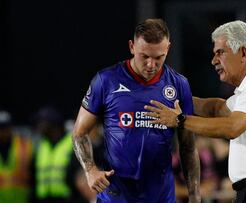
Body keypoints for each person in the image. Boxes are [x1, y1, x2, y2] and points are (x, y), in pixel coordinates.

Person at [144, 20, 246, 203]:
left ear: (242, 53)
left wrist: (179, 120)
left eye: (220, 52)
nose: (214, 60)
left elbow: (232, 127)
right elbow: (218, 109)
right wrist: (173, 98)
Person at [72, 18, 200, 203]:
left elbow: (188, 147)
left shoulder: (179, 85)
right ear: (132, 46)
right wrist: (90, 170)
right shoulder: (105, 80)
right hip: (116, 196)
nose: (151, 65)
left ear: (168, 49)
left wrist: (195, 195)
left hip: (161, 197)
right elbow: (79, 133)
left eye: (158, 57)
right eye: (145, 56)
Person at [30, 106, 82, 203]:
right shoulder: (41, 146)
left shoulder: (72, 143)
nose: (38, 126)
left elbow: (79, 175)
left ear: (53, 124)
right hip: (43, 200)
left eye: (41, 122)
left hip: (67, 199)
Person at [0, 110, 32, 203]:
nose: (2, 131)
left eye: (4, 127)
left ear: (11, 127)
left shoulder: (24, 145)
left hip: (20, 199)